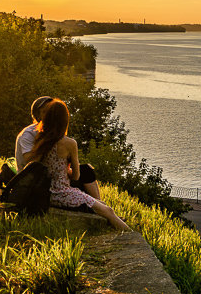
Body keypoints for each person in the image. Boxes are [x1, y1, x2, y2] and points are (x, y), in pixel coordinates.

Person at [32, 98, 129, 231]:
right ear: (64, 120)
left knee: (101, 205)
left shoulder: (39, 138)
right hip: (62, 194)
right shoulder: (69, 143)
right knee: (108, 210)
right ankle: (132, 236)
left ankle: (116, 229)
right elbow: (76, 176)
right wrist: (67, 172)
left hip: (45, 193)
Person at [16, 95, 104, 200]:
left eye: (51, 112)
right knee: (79, 178)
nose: (49, 115)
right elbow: (30, 163)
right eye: (45, 112)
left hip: (51, 175)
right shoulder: (28, 134)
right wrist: (45, 142)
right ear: (37, 115)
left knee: (86, 170)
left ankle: (98, 203)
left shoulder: (51, 131)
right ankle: (96, 206)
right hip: (35, 179)